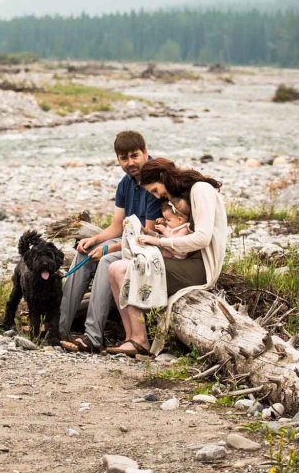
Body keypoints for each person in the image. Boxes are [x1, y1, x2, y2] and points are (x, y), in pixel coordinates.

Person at [106, 158, 229, 356]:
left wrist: (159, 242)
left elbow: (202, 238)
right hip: (184, 260)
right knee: (113, 269)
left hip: (201, 267)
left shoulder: (201, 189)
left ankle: (140, 340)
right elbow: (181, 234)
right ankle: (130, 337)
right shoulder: (183, 196)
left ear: (163, 177)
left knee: (123, 268)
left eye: (155, 190)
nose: (157, 196)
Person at [61, 130, 162, 352]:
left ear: (145, 152)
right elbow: (117, 226)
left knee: (106, 260)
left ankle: (93, 337)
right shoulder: (125, 183)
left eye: (134, 156)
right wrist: (94, 239)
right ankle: (59, 327)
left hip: (149, 246)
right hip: (129, 239)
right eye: (124, 158)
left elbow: (147, 236)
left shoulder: (155, 180)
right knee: (84, 252)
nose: (130, 162)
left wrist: (108, 249)